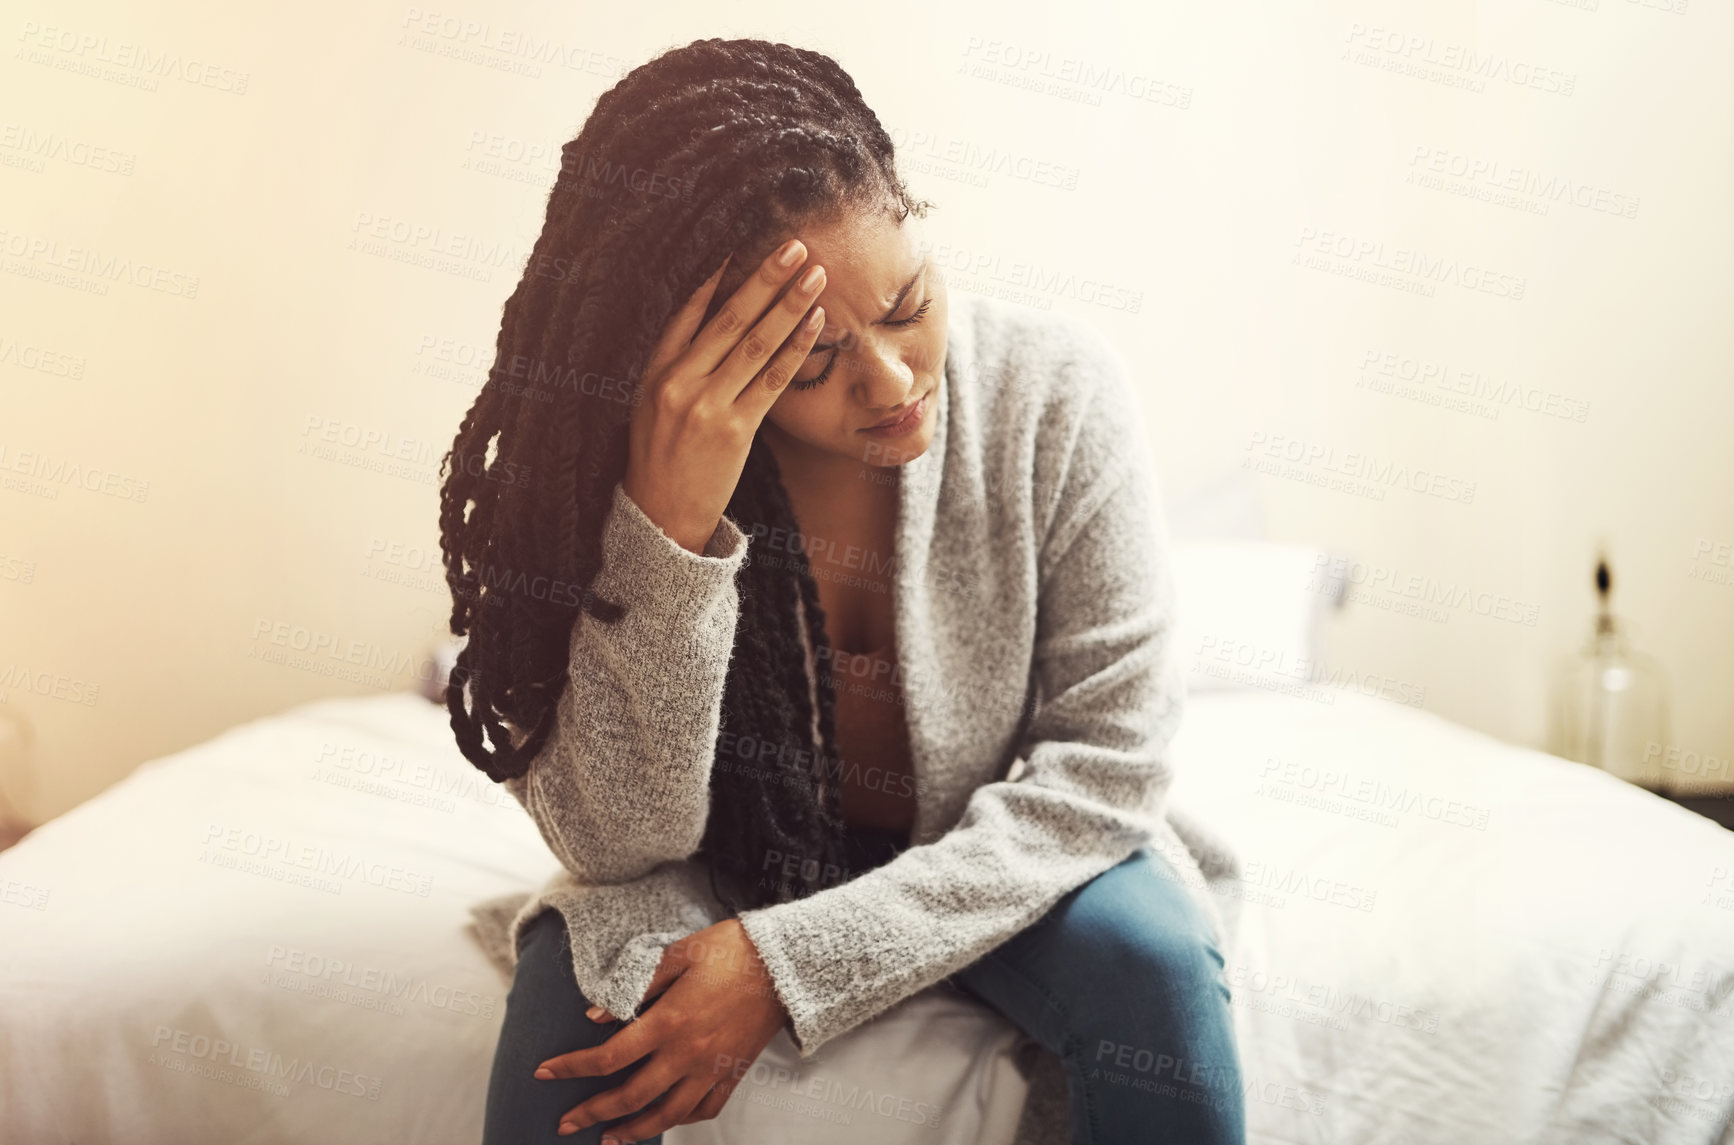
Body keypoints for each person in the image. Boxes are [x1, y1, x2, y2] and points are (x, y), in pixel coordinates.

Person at [439, 36, 1244, 1145]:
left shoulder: (1052, 397)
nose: (892, 380)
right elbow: (616, 844)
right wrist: (665, 531)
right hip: (719, 863)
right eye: (808, 363)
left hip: (997, 844)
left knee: (1151, 970)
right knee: (574, 1041)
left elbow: (1106, 769)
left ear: (914, 216)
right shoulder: (612, 467)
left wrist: (788, 965)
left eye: (908, 300)